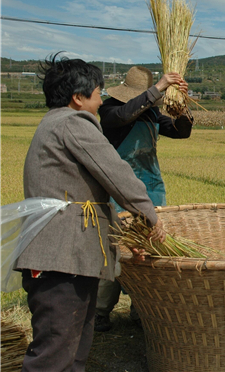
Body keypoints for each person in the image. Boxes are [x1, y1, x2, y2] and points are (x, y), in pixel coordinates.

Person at [16, 53, 165, 371]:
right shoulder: (73, 123)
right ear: (78, 97)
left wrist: (128, 232)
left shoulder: (54, 123)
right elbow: (115, 172)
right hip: (60, 260)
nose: (100, 102)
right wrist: (149, 215)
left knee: (74, 349)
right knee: (54, 354)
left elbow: (89, 194)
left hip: (70, 259)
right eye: (98, 94)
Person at [94, 66, 192, 331]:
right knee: (117, 249)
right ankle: (101, 311)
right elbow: (126, 114)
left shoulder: (151, 113)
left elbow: (181, 131)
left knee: (151, 248)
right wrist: (159, 87)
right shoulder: (110, 109)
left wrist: (183, 107)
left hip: (151, 187)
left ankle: (141, 309)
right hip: (119, 190)